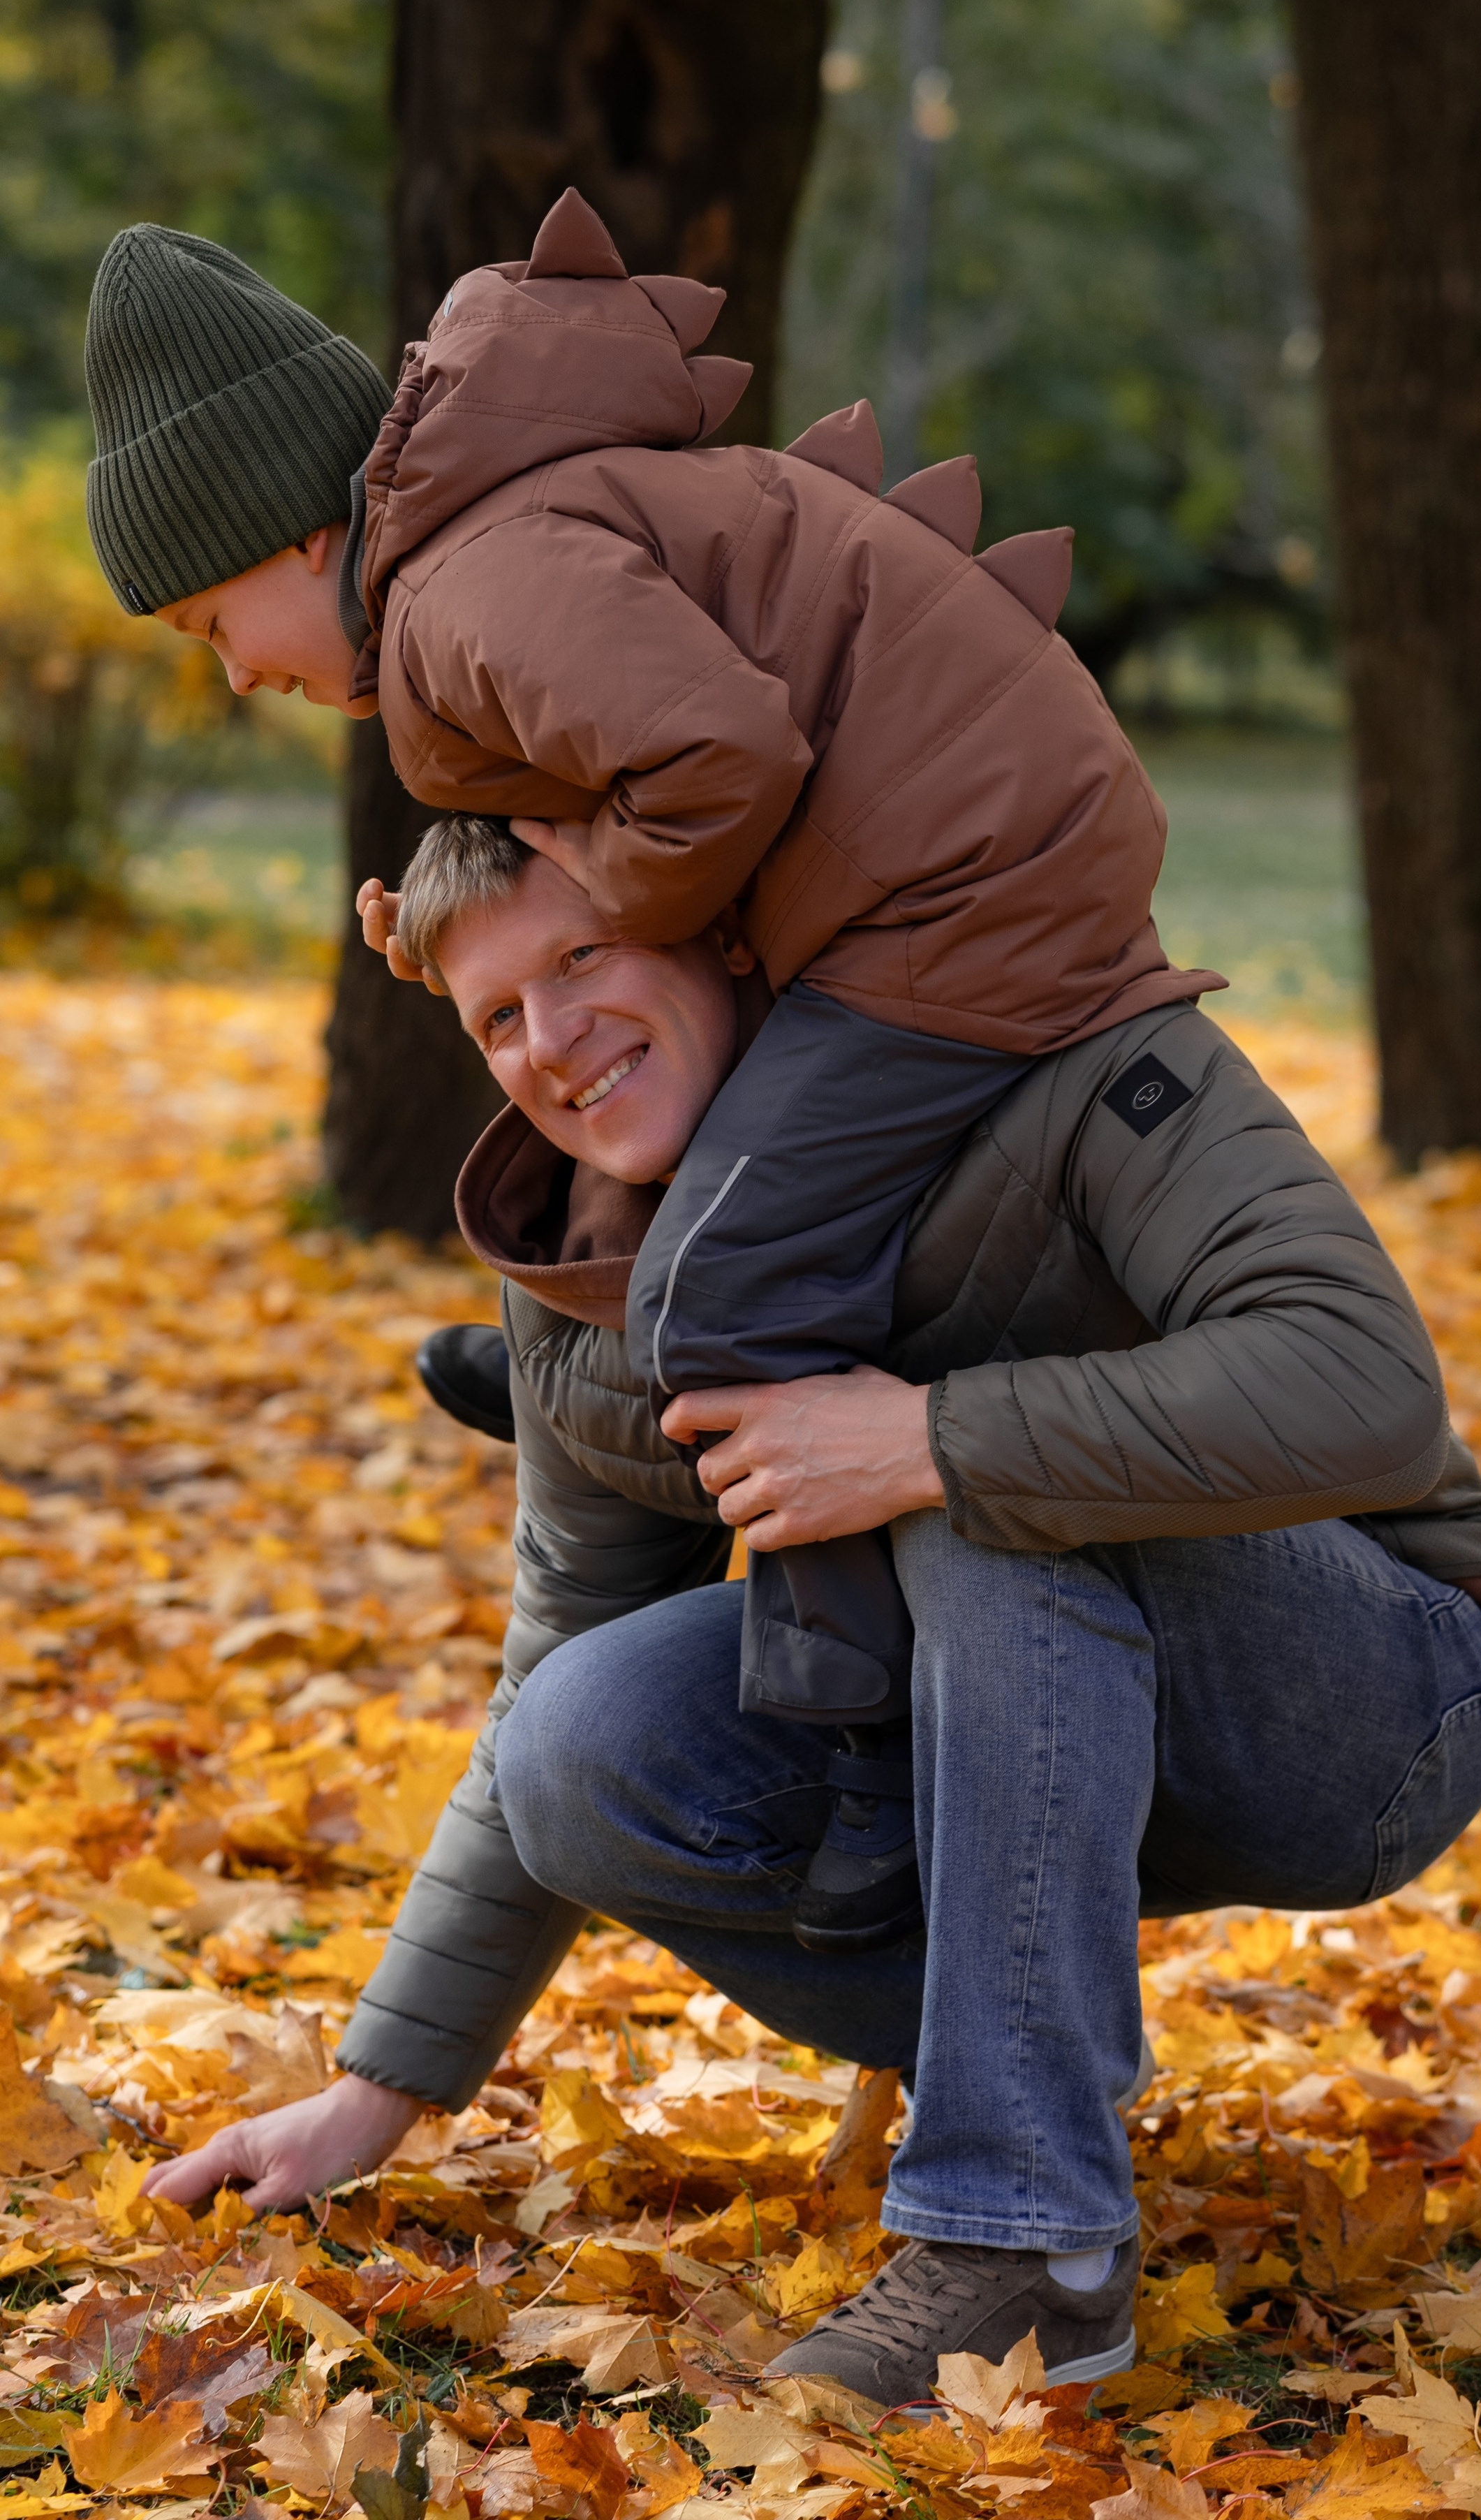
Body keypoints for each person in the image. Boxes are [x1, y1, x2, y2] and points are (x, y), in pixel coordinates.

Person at [152, 819, 1481, 2405]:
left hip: (1365, 1695)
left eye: (580, 958)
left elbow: (1364, 1387)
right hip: (1032, 1726)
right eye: (496, 1016)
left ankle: (1030, 2250)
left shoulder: (1041, 1039)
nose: (551, 1041)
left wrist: (925, 1440)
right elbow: (549, 1667)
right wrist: (377, 2088)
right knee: (576, 1745)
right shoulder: (578, 1272)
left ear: (717, 935)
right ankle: (1035, 2072)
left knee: (960, 1487)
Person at [82, 196, 1226, 1954]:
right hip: (934, 858)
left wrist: (615, 898)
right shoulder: (473, 581)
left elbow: (718, 754)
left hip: (962, 890)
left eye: (213, 623)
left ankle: (850, 1732)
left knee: (729, 1261)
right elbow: (575, 821)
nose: (233, 671)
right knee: (713, 1176)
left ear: (298, 536)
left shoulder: (466, 592)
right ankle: (606, 1372)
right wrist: (438, 926)